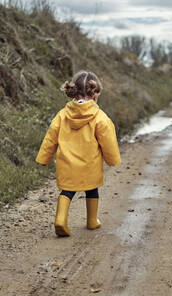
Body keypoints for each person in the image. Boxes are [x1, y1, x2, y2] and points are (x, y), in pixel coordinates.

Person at [36, 71, 121, 237]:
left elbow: (51, 137)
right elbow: (108, 141)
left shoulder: (62, 115)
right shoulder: (99, 117)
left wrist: (44, 158)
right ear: (95, 95)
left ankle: (60, 219)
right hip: (90, 165)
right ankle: (92, 221)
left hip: (66, 163)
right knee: (92, 189)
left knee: (67, 191)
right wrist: (112, 160)